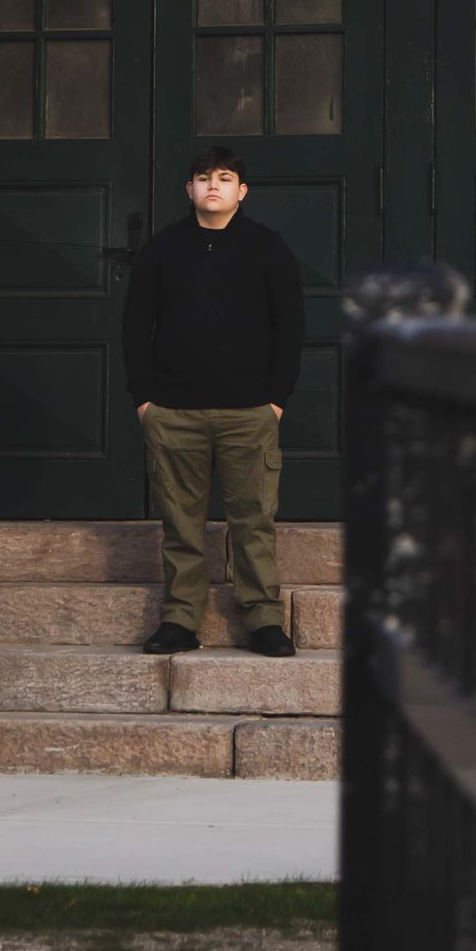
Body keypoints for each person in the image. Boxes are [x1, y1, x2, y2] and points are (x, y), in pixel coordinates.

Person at [121, 161, 303, 657]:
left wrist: (275, 402)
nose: (213, 187)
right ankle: (180, 619)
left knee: (253, 520)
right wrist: (145, 402)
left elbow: (290, 328)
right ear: (189, 189)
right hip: (175, 413)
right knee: (180, 524)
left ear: (243, 190)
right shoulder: (163, 250)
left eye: (224, 179)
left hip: (249, 413)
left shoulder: (267, 248)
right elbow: (136, 327)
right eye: (204, 179)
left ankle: (264, 620)